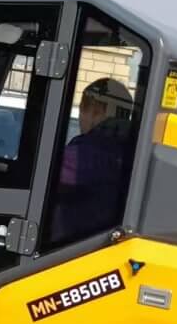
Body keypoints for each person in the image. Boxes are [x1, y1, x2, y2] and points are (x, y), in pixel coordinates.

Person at [50, 76, 136, 245]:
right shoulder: (127, 150)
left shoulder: (88, 153)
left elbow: (40, 178)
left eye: (83, 108)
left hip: (68, 246)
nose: (80, 117)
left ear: (97, 110)